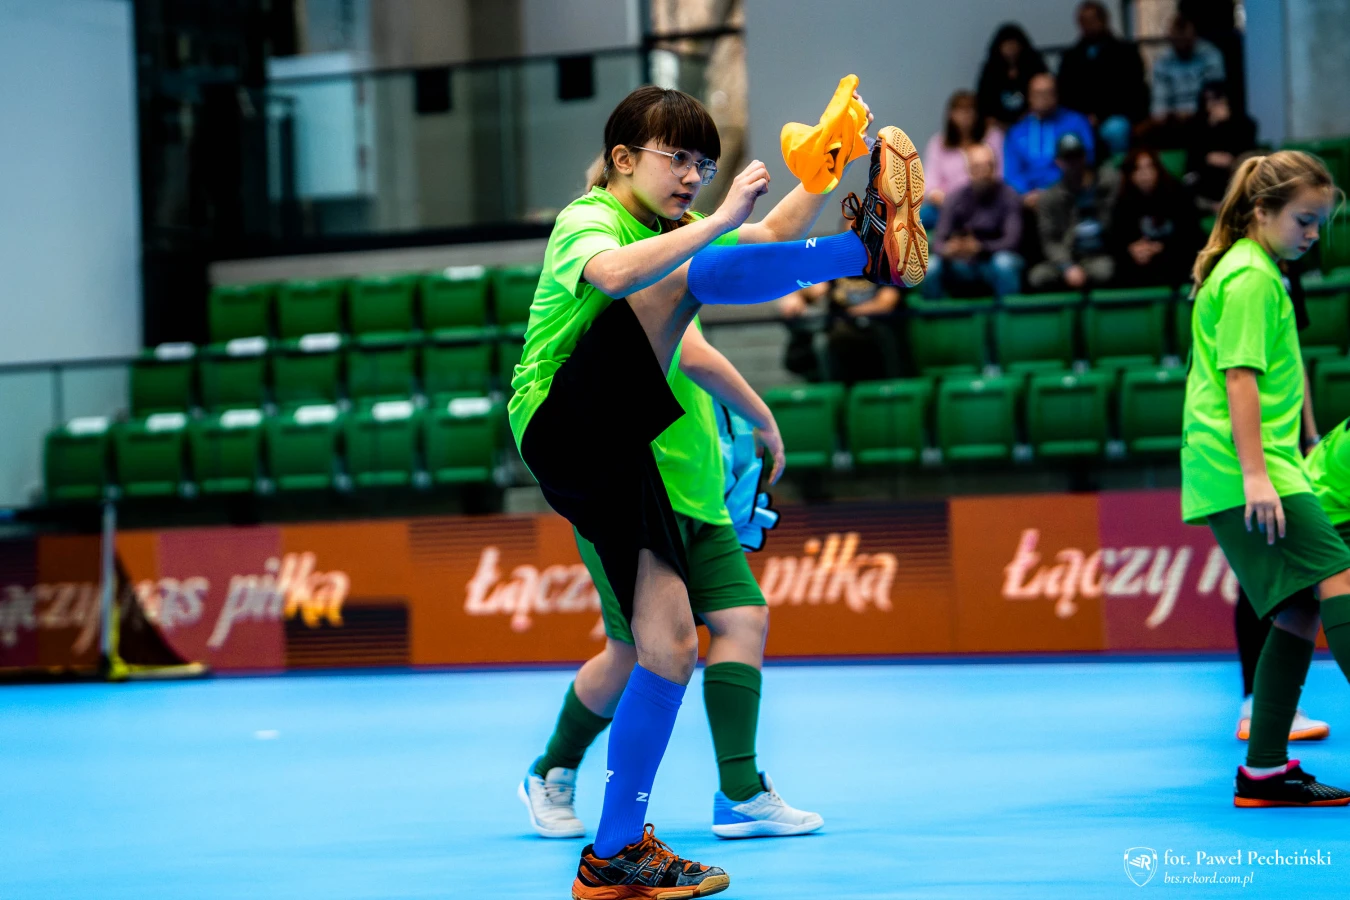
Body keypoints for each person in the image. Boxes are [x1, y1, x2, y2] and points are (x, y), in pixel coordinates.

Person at [509, 83, 927, 897]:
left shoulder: (672, 233)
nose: (693, 175)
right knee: (685, 272)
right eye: (679, 159)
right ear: (622, 159)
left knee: (669, 648)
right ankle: (862, 253)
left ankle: (614, 853)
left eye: (704, 164)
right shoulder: (590, 217)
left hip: (621, 449)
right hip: (562, 418)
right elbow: (619, 274)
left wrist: (822, 173)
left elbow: (761, 241)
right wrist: (722, 217)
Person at [520, 323, 823, 842]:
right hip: (634, 494)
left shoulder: (678, 281)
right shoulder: (637, 280)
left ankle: (742, 793)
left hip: (701, 495)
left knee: (743, 619)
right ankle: (552, 769)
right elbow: (694, 355)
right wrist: (764, 418)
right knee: (629, 653)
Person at [1180, 150, 1350, 807]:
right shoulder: (1250, 276)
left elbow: (1278, 372)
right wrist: (1256, 475)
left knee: (1300, 607)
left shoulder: (1257, 270)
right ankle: (1265, 769)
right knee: (1338, 574)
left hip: (1263, 463)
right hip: (1244, 468)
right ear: (1262, 211)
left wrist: (1301, 441)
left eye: (1319, 224)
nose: (1311, 234)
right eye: (1303, 220)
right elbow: (1240, 379)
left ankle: (1265, 773)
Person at [924, 143, 1023, 298]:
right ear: (968, 170)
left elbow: (1012, 242)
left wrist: (980, 247)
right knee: (932, 266)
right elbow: (938, 242)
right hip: (962, 263)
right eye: (977, 167)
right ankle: (935, 313)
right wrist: (949, 249)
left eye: (988, 166)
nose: (983, 172)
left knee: (1004, 263)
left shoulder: (1009, 196)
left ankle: (1009, 312)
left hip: (992, 261)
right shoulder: (955, 198)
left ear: (995, 167)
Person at [1056, 1, 1149, 156]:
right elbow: (1066, 93)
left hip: (1116, 115)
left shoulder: (1125, 52)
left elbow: (1131, 91)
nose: (1088, 25)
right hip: (1081, 117)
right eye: (1084, 21)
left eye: (1092, 20)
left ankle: (1119, 168)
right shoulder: (1071, 57)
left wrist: (1100, 116)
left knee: (1116, 130)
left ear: (1104, 20)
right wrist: (1084, 117)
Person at [1028, 133, 1118, 291]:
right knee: (1038, 277)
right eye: (1068, 158)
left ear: (1085, 157)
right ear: (1058, 162)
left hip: (1099, 254)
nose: (1074, 163)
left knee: (1104, 271)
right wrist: (1067, 266)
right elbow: (1050, 241)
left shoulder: (1108, 184)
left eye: (1077, 156)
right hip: (1068, 255)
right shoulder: (1050, 198)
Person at [1109, 148, 1202, 287]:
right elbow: (1116, 239)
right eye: (1138, 169)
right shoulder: (1123, 202)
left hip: (1175, 260)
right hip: (1139, 265)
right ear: (1130, 174)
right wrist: (1132, 249)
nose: (1144, 174)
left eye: (1149, 167)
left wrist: (1160, 247)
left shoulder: (1178, 195)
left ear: (1158, 169)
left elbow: (1192, 236)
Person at [1003, 73, 1096, 204]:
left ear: (1056, 95)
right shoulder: (1017, 132)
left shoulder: (1076, 122)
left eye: (1047, 92)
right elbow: (1011, 173)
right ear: (1029, 97)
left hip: (1066, 191)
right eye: (1037, 93)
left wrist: (1048, 193)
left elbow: (1086, 160)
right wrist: (1026, 194)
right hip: (1028, 197)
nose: (1043, 98)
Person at [921, 90, 1005, 229]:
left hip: (984, 203)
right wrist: (950, 202)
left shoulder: (992, 137)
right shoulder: (938, 143)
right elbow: (929, 185)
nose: (966, 116)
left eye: (970, 110)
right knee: (916, 220)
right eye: (960, 110)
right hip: (946, 205)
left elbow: (999, 176)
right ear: (951, 114)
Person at [1148, 13, 1226, 147]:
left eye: (1185, 39)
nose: (1181, 43)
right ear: (1170, 38)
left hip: (1203, 114)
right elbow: (1159, 105)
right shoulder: (1163, 61)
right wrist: (1166, 114)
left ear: (1194, 36)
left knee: (1218, 118)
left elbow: (1215, 91)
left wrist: (1195, 111)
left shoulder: (1210, 55)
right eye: (1177, 39)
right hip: (1173, 118)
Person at [1185, 81, 1257, 213]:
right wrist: (1212, 127)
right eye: (1208, 100)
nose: (1212, 105)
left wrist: (1225, 125)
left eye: (1217, 99)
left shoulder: (1245, 124)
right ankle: (1214, 206)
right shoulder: (1197, 126)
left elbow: (1246, 150)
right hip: (1205, 175)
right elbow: (1192, 159)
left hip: (1233, 174)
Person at [975, 23, 1048, 130]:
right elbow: (984, 104)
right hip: (998, 127)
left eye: (1014, 44)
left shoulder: (1035, 67)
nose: (1011, 49)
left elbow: (1045, 98)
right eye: (1007, 45)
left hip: (1033, 124)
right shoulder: (989, 71)